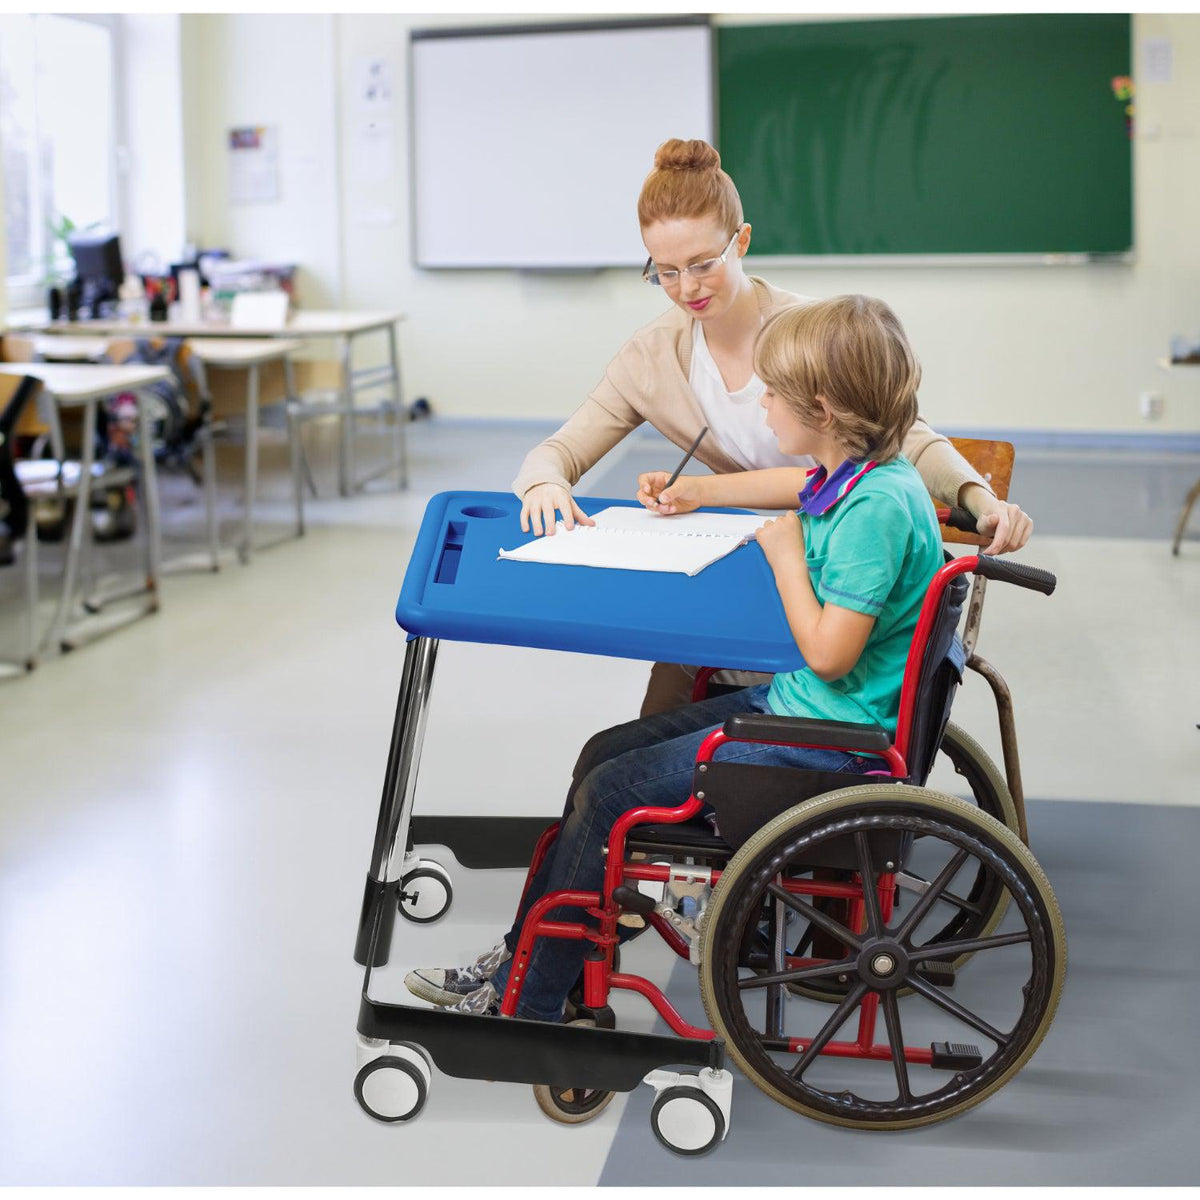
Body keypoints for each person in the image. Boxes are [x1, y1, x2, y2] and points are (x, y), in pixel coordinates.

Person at [406, 293, 945, 1021]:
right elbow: (793, 485)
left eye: (773, 396)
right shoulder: (863, 476)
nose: (762, 408)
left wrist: (786, 555)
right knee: (604, 752)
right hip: (812, 713)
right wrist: (700, 491)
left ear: (821, 411)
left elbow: (827, 654)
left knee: (611, 792)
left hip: (828, 743)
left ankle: (527, 998)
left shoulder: (873, 512)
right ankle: (529, 958)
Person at [511, 138, 1032, 717]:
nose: (687, 288)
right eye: (666, 272)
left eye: (703, 264)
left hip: (836, 587)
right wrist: (545, 482)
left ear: (742, 241)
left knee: (687, 729)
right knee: (660, 715)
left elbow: (906, 439)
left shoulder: (813, 334)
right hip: (747, 570)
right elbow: (559, 451)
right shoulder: (652, 356)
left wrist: (976, 497)